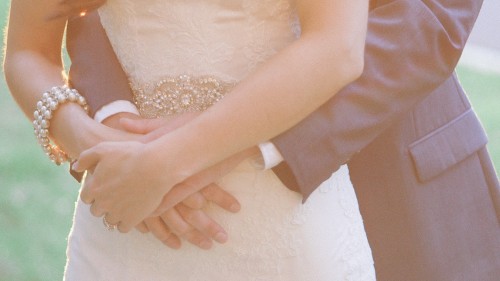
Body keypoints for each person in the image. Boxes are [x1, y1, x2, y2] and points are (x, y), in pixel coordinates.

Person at [64, 0, 500, 280]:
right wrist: (118, 126)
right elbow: (86, 14)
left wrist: (212, 143)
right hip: (150, 203)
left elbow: (431, 16)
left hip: (399, 185)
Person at [4, 0, 376, 280]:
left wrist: (165, 163)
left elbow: (337, 47)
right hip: (125, 230)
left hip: (286, 233)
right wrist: (91, 141)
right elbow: (28, 50)